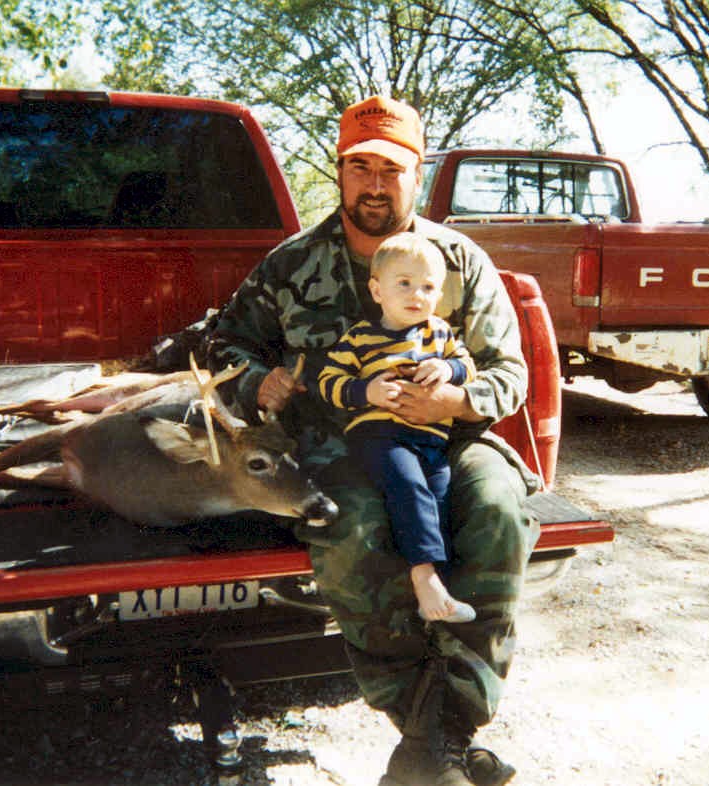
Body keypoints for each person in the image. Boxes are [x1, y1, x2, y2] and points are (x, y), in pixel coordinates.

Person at [206, 95, 540, 786]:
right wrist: (260, 383)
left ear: (418, 174)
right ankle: (440, 741)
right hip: (337, 443)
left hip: (449, 437)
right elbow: (225, 346)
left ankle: (439, 739)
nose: (375, 184)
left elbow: (511, 372)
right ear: (340, 172)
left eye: (392, 169)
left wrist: (456, 398)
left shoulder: (459, 260)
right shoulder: (291, 263)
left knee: (499, 512)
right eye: (360, 167)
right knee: (353, 525)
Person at [317, 232, 477, 625]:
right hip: (380, 437)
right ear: (377, 290)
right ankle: (423, 578)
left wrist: (447, 368)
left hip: (431, 439)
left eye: (428, 287)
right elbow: (328, 381)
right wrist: (366, 391)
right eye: (404, 283)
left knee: (439, 496)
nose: (416, 295)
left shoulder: (439, 333)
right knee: (408, 486)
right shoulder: (360, 337)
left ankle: (435, 590)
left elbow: (468, 366)